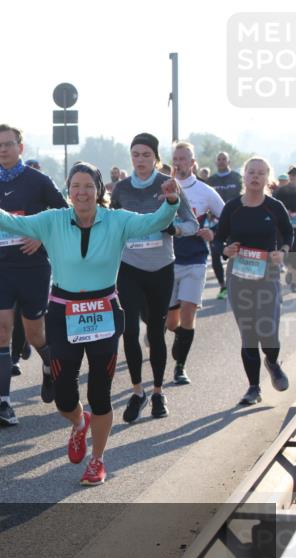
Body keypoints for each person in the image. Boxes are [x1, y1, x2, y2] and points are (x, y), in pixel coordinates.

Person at [0, 162, 183, 485]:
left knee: (100, 393)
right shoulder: (53, 220)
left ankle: (97, 460)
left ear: (98, 190)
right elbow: (14, 223)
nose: (82, 192)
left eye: (88, 186)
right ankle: (78, 422)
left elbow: (154, 222)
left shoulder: (116, 220)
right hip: (63, 312)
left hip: (103, 310)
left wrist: (170, 202)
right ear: (68, 191)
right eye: (76, 186)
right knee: (63, 397)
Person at [0, 123, 66, 427]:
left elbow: (63, 214)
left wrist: (42, 237)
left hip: (33, 268)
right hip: (1, 268)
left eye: (8, 144)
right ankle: (5, 405)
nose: (3, 149)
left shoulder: (38, 181)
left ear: (20, 148)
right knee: (1, 332)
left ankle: (50, 365)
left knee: (35, 335)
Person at [110, 133, 198, 423]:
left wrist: (174, 229)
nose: (140, 159)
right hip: (129, 267)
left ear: (156, 158)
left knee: (156, 332)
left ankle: (158, 392)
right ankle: (138, 391)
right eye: (136, 154)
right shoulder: (122, 188)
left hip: (161, 268)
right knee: (130, 332)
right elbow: (110, 224)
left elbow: (191, 222)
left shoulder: (168, 184)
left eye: (146, 154)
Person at [215, 157, 293, 405]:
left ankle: (272, 361)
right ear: (244, 176)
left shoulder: (274, 207)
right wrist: (224, 250)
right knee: (248, 332)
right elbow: (218, 239)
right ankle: (253, 388)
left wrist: (283, 250)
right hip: (238, 275)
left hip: (267, 274)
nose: (255, 176)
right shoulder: (232, 207)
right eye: (251, 172)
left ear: (267, 178)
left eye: (260, 173)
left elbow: (288, 233)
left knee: (268, 330)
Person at [166, 142, 225, 384]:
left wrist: (214, 233)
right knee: (171, 322)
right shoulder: (164, 187)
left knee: (188, 312)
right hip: (167, 261)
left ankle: (180, 367)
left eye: (184, 158)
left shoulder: (205, 191)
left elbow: (227, 217)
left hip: (195, 260)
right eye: (176, 158)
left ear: (192, 162)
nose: (179, 162)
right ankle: (181, 337)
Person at [208, 152, 245, 299]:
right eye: (219, 159)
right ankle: (223, 286)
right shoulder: (211, 180)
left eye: (224, 159)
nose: (221, 161)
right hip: (215, 223)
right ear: (216, 162)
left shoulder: (237, 177)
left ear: (228, 161)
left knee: (235, 253)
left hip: (235, 222)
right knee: (215, 254)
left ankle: (236, 284)